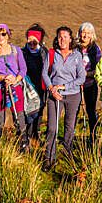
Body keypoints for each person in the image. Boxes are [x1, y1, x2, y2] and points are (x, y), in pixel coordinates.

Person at [41, 26, 86, 170]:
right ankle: (49, 157)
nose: (62, 40)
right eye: (60, 37)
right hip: (54, 95)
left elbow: (82, 77)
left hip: (73, 95)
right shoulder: (52, 54)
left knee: (69, 127)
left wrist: (65, 86)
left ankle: (67, 154)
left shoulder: (77, 55)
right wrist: (52, 88)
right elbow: (44, 74)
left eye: (65, 37)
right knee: (52, 128)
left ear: (70, 39)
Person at [0, 23, 28, 151]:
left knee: (19, 116)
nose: (0, 37)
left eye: (3, 34)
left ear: (8, 35)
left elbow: (23, 69)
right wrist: (3, 78)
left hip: (16, 88)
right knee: (0, 118)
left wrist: (15, 79)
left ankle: (23, 144)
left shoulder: (16, 50)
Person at [22, 23, 48, 144]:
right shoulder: (22, 52)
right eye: (30, 39)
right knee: (27, 111)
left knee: (39, 110)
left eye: (35, 40)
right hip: (26, 87)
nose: (32, 43)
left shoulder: (44, 52)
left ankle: (35, 135)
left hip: (41, 86)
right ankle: (26, 135)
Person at [78, 22, 102, 143]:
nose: (85, 35)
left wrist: (86, 74)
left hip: (90, 83)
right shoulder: (75, 47)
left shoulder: (95, 49)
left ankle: (93, 137)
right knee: (73, 111)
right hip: (75, 85)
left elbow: (98, 68)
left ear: (92, 35)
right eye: (83, 32)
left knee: (91, 111)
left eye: (88, 33)